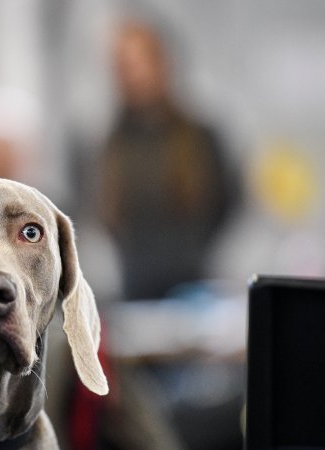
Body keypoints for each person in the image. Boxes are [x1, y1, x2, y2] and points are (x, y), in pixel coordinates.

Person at [97, 19, 239, 300]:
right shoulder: (109, 145)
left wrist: (196, 247)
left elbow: (230, 200)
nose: (133, 75)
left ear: (162, 64)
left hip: (194, 281)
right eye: (124, 66)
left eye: (140, 63)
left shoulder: (200, 137)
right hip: (133, 285)